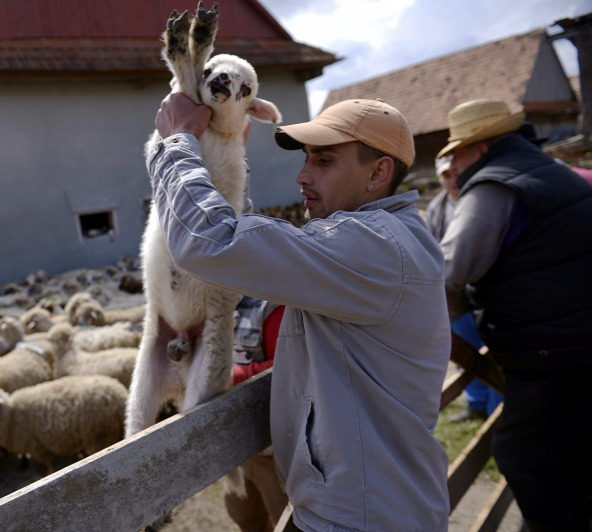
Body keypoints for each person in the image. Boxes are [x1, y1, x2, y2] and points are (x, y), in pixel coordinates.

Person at [148, 95, 451, 531]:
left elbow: (214, 243)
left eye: (324, 161)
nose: (303, 176)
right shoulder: (381, 243)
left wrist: (178, 142)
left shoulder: (375, 247)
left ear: (379, 172)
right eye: (307, 159)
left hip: (361, 517)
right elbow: (258, 253)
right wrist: (226, 155)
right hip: (361, 505)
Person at [437, 98, 592, 532]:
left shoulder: (493, 186)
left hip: (546, 350)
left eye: (458, 150)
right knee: (574, 452)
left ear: (481, 149)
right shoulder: (556, 173)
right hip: (576, 341)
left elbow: (451, 267)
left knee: (524, 455)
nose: (454, 160)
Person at [426, 155, 503, 423]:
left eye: (455, 173)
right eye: (446, 176)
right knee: (463, 351)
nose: (452, 180)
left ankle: (497, 410)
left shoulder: (482, 199)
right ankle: (476, 405)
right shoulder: (437, 207)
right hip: (454, 295)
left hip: (485, 289)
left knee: (494, 349)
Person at [224, 295, 287, 532]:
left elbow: (287, 362)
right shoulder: (224, 302)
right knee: (244, 514)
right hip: (238, 441)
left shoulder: (274, 305)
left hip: (274, 448)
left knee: (285, 517)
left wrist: (235, 375)